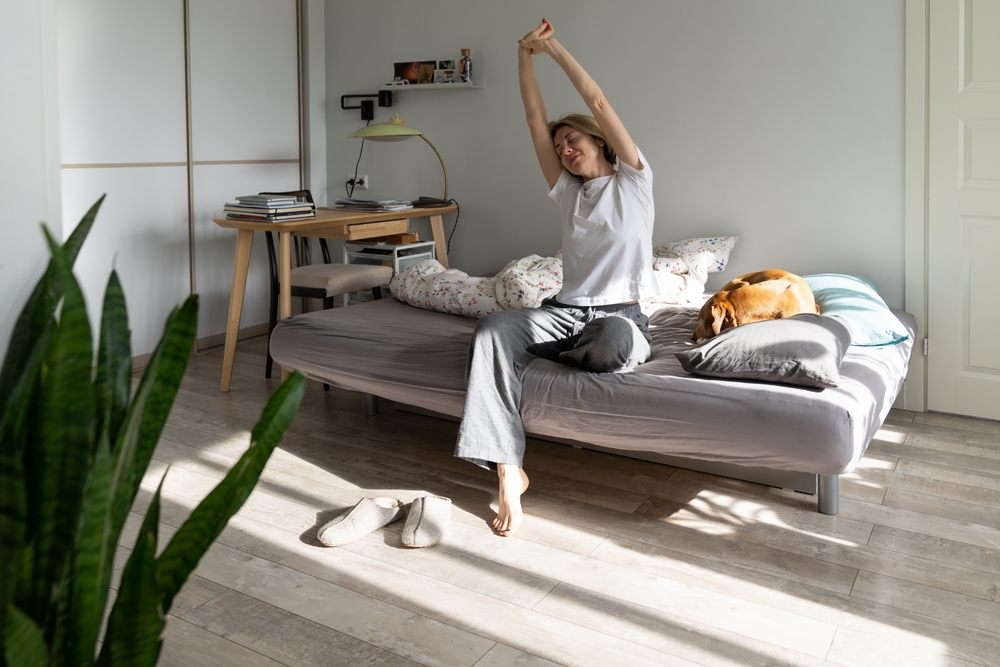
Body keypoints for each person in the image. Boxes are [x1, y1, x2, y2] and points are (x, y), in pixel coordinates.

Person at [454, 18, 657, 536]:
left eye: (573, 140)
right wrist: (523, 54)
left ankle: (562, 354)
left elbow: (598, 100)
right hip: (564, 313)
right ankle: (508, 471)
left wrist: (554, 49)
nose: (565, 149)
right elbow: (533, 119)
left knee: (612, 342)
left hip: (620, 315)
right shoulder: (568, 192)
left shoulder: (634, 181)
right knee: (492, 331)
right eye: (560, 145)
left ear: (598, 140)